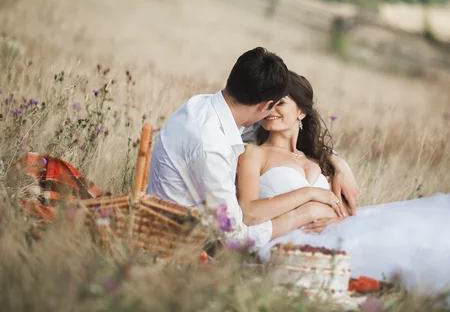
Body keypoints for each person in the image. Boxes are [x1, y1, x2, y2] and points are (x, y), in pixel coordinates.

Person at [236, 71, 450, 296]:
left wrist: (333, 191)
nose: (270, 110)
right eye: (266, 104)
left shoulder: (317, 160)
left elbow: (345, 208)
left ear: (301, 112)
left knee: (435, 226)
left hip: (346, 227)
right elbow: (249, 212)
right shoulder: (254, 155)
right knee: (417, 253)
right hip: (296, 239)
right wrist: (311, 196)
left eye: (280, 103)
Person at [147, 47, 359, 247]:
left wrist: (339, 165)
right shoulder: (212, 148)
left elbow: (288, 134)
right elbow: (234, 237)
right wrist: (308, 208)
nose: (271, 114)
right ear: (264, 106)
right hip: (181, 242)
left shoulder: (208, 108)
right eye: (272, 106)